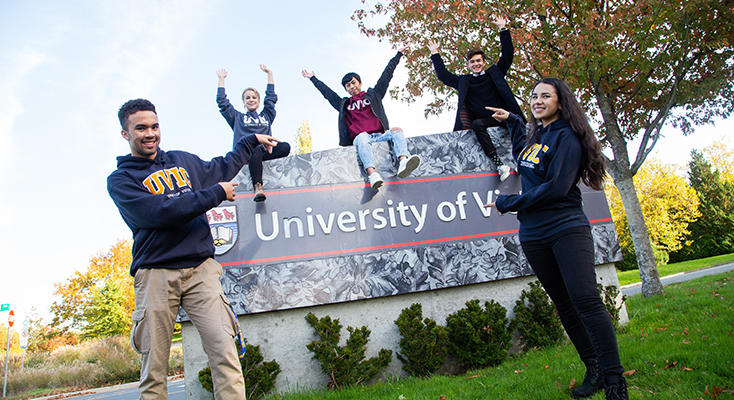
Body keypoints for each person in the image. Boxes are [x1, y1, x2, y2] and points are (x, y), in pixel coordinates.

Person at [107, 98, 280, 400]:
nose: (150, 133)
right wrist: (215, 194)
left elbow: (221, 167)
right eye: (141, 128)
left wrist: (250, 141)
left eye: (155, 126)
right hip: (156, 273)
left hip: (201, 270)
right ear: (126, 134)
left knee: (225, 353)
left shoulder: (182, 161)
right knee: (154, 368)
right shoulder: (121, 180)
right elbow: (159, 212)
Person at [484, 79, 628, 400]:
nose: (537, 100)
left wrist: (508, 203)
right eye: (534, 96)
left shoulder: (567, 138)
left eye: (545, 96)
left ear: (560, 102)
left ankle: (616, 381)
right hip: (533, 233)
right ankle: (596, 370)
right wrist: (513, 120)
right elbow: (525, 150)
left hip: (566, 226)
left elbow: (555, 188)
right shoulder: (537, 137)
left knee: (586, 302)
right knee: (563, 304)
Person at [301, 48, 421, 189]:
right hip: (362, 139)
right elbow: (328, 94)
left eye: (353, 83)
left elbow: (386, 76)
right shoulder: (344, 105)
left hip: (380, 135)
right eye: (348, 86)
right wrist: (313, 79)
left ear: (360, 82)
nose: (352, 87)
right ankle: (372, 175)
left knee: (397, 130)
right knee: (363, 137)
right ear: (346, 89)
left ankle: (403, 162)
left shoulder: (373, 95)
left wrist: (398, 55)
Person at [428, 16, 526, 182]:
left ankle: (523, 163)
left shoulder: (494, 73)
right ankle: (499, 164)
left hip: (504, 116)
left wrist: (503, 29)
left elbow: (507, 54)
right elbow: (444, 76)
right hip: (485, 121)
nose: (476, 64)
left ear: (484, 62)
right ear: (468, 65)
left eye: (478, 61)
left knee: (518, 129)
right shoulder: (464, 81)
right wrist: (435, 54)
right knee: (476, 125)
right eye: (472, 62)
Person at [217, 65, 291, 202]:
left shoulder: (266, 116)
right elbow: (223, 103)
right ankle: (258, 187)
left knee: (285, 146)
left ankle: (256, 163)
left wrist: (270, 74)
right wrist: (221, 80)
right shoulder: (237, 118)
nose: (251, 100)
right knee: (255, 149)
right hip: (246, 153)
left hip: (263, 153)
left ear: (258, 100)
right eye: (247, 98)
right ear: (244, 102)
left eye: (254, 97)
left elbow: (271, 99)